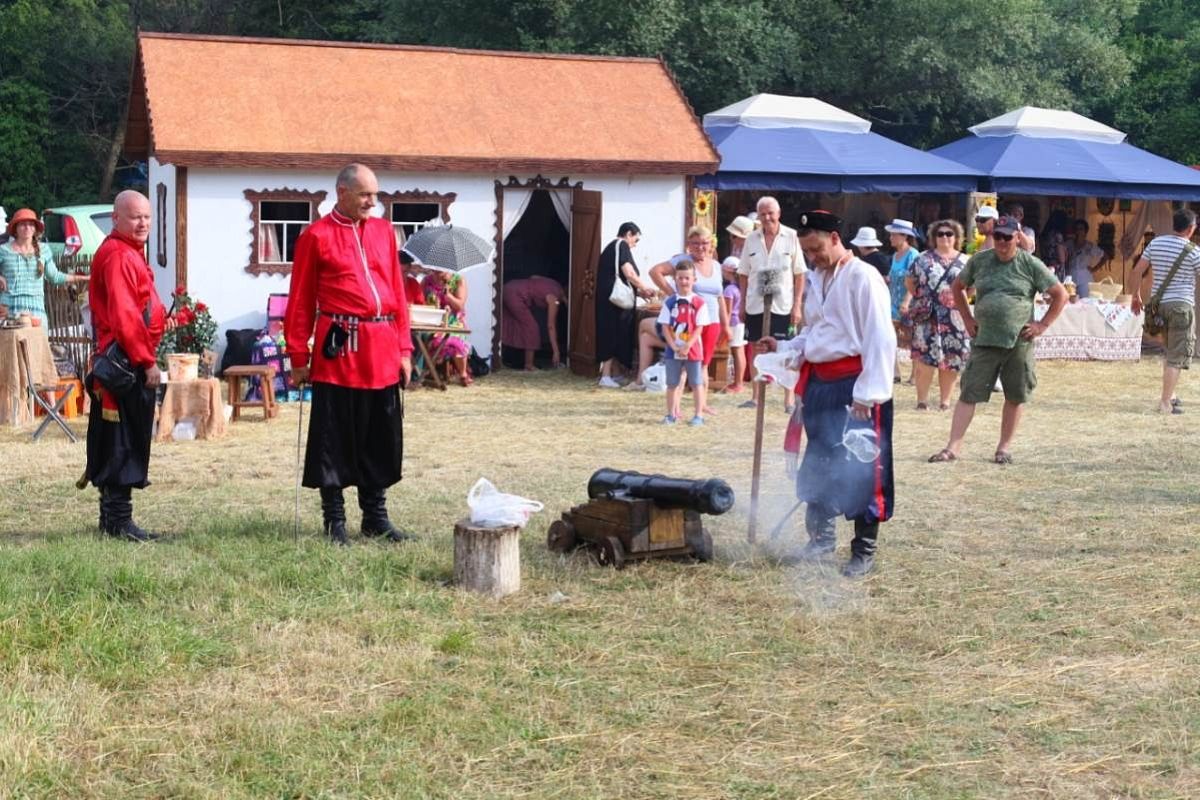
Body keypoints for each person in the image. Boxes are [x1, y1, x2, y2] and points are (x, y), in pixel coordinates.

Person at [758, 210, 896, 577]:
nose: (813, 257)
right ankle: (820, 541)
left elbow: (880, 338)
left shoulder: (863, 277)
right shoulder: (819, 278)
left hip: (858, 389)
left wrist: (868, 395)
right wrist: (787, 346)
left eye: (817, 248)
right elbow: (817, 334)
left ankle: (863, 550)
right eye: (806, 251)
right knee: (819, 463)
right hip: (821, 387)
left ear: (836, 238)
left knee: (863, 468)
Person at [285, 163, 414, 546]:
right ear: (341, 192)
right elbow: (301, 301)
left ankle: (375, 517)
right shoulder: (315, 237)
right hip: (339, 349)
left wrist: (405, 349)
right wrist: (297, 356)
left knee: (379, 435)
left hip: (382, 346)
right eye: (365, 195)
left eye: (375, 194)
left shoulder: (384, 231)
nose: (372, 202)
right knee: (335, 436)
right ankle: (334, 520)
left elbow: (398, 293)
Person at [929, 215, 1067, 464]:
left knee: (1015, 395)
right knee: (969, 393)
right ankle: (952, 447)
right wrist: (968, 319)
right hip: (984, 339)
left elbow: (1060, 294)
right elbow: (958, 287)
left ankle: (1003, 448)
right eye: (997, 236)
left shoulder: (1030, 264)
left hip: (1018, 341)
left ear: (1017, 237)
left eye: (1007, 237)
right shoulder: (980, 261)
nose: (1002, 241)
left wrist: (1042, 325)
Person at [84, 191, 167, 542]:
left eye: (147, 217)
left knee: (120, 437)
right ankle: (118, 521)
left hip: (125, 356)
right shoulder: (118, 255)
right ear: (116, 219)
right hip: (124, 361)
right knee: (121, 439)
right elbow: (125, 316)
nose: (143, 223)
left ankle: (112, 519)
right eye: (135, 217)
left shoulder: (128, 251)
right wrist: (147, 361)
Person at [649, 226, 730, 411]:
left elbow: (720, 297)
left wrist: (726, 325)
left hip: (711, 321)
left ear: (710, 244)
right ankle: (675, 408)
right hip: (688, 321)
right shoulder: (683, 261)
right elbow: (655, 271)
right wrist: (672, 295)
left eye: (704, 243)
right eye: (695, 243)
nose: (700, 247)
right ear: (689, 245)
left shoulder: (716, 265)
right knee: (684, 363)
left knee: (703, 364)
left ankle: (701, 405)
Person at [737, 196, 806, 411]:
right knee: (755, 347)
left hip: (782, 303)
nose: (767, 217)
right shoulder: (751, 239)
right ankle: (756, 396)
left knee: (785, 350)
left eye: (771, 213)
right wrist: (741, 305)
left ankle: (789, 399)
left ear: (778, 214)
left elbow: (799, 273)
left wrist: (797, 306)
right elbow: (743, 273)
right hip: (756, 303)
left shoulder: (791, 236)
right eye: (763, 214)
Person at [1130, 208, 1200, 414]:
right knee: (1177, 356)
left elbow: (1137, 270)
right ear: (1190, 228)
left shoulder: (1156, 243)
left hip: (1159, 305)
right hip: (1181, 307)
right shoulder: (1194, 251)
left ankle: (1172, 395)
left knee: (1169, 352)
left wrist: (1135, 296)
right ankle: (1165, 403)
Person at [903, 220, 970, 411]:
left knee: (951, 360)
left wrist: (956, 301)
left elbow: (972, 288)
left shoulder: (966, 261)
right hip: (928, 316)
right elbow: (910, 281)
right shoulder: (923, 259)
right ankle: (922, 401)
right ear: (934, 237)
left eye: (949, 234)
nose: (945, 237)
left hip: (955, 317)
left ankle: (945, 401)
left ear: (957, 237)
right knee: (925, 361)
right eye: (940, 234)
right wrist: (921, 298)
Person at [0, 208, 89, 326]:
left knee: (38, 343)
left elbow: (54, 277)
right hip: (9, 309)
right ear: (15, 228)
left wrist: (84, 278)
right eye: (22, 224)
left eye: (31, 224)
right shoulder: (3, 250)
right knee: (11, 344)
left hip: (36, 310)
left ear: (35, 229)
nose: (27, 228)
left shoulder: (44, 249)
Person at [595, 222, 655, 388]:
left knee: (614, 333)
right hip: (613, 303)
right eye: (635, 240)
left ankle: (615, 373)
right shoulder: (621, 246)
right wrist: (645, 287)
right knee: (611, 334)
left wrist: (640, 292)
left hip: (608, 299)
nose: (635, 245)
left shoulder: (611, 247)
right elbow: (628, 273)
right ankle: (606, 375)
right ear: (628, 234)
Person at [657, 259, 711, 425]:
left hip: (693, 350)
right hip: (673, 350)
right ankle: (671, 414)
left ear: (694, 280)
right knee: (672, 383)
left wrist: (687, 346)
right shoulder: (669, 302)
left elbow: (699, 328)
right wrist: (673, 346)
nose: (684, 281)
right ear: (675, 279)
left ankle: (698, 415)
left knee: (696, 383)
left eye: (687, 278)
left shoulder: (699, 303)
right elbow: (665, 327)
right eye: (680, 278)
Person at [501, 275, 567, 370]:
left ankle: (506, 357)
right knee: (532, 328)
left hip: (509, 286)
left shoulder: (555, 284)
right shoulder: (554, 300)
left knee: (511, 323)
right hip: (515, 295)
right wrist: (556, 352)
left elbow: (533, 277)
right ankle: (529, 365)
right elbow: (551, 326)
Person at [422, 269, 472, 386]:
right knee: (427, 338)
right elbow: (420, 301)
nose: (437, 271)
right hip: (433, 321)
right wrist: (432, 306)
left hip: (453, 321)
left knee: (454, 339)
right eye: (434, 268)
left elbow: (459, 306)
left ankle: (463, 374)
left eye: (440, 269)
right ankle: (430, 372)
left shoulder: (458, 280)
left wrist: (448, 296)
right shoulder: (427, 281)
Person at [885, 219, 920, 383]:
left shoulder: (912, 254)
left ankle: (914, 375)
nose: (890, 238)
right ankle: (895, 372)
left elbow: (914, 279)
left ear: (904, 236)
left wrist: (906, 301)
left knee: (912, 337)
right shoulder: (894, 256)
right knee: (889, 336)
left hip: (909, 302)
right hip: (893, 300)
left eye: (894, 234)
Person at [720, 259, 746, 394]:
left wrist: (725, 326)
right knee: (740, 351)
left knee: (736, 352)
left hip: (733, 323)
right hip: (741, 322)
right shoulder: (741, 288)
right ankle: (739, 382)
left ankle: (738, 383)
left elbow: (727, 312)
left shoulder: (729, 290)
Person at [1064, 219, 1106, 298]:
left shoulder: (1090, 246)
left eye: (1081, 229)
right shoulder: (1068, 244)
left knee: (1085, 302)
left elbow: (1105, 256)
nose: (1078, 231)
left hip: (1085, 279)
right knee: (1069, 302)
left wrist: (1094, 269)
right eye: (1076, 229)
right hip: (1070, 277)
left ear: (1085, 231)